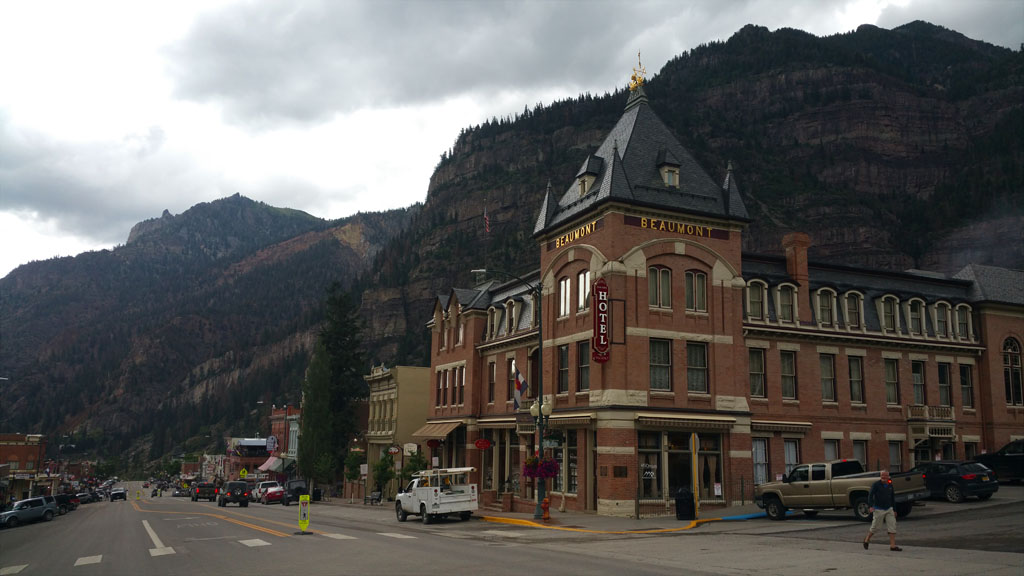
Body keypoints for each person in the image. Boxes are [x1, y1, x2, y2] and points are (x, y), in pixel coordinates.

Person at [863, 469, 902, 551]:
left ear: (888, 476)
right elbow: (870, 495)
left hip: (889, 508)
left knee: (892, 526)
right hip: (878, 509)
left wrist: (894, 510)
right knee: (876, 527)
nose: (884, 477)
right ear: (880, 476)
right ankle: (867, 539)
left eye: (886, 475)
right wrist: (870, 506)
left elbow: (892, 498)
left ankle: (892, 546)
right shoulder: (876, 484)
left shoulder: (890, 485)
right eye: (882, 475)